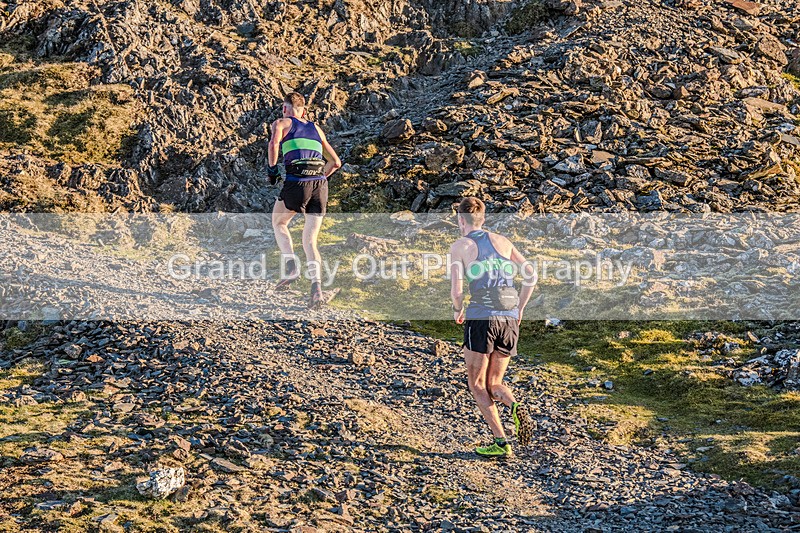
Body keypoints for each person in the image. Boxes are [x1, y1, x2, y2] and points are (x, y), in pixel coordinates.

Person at [449, 197, 536, 457]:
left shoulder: (460, 246)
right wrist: (520, 308)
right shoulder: (503, 241)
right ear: (483, 219)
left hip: (481, 317)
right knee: (495, 383)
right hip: (508, 317)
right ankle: (513, 405)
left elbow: (456, 290)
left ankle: (501, 442)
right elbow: (531, 273)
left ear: (460, 220)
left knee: (477, 384)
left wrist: (457, 310)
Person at [268, 92, 341, 308]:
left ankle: (291, 266)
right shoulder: (316, 129)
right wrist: (318, 178)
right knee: (310, 241)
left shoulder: (281, 123)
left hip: (296, 181)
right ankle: (316, 290)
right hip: (320, 185)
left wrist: (272, 169)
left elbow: (274, 144)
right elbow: (336, 162)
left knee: (279, 222)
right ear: (305, 111)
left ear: (285, 108)